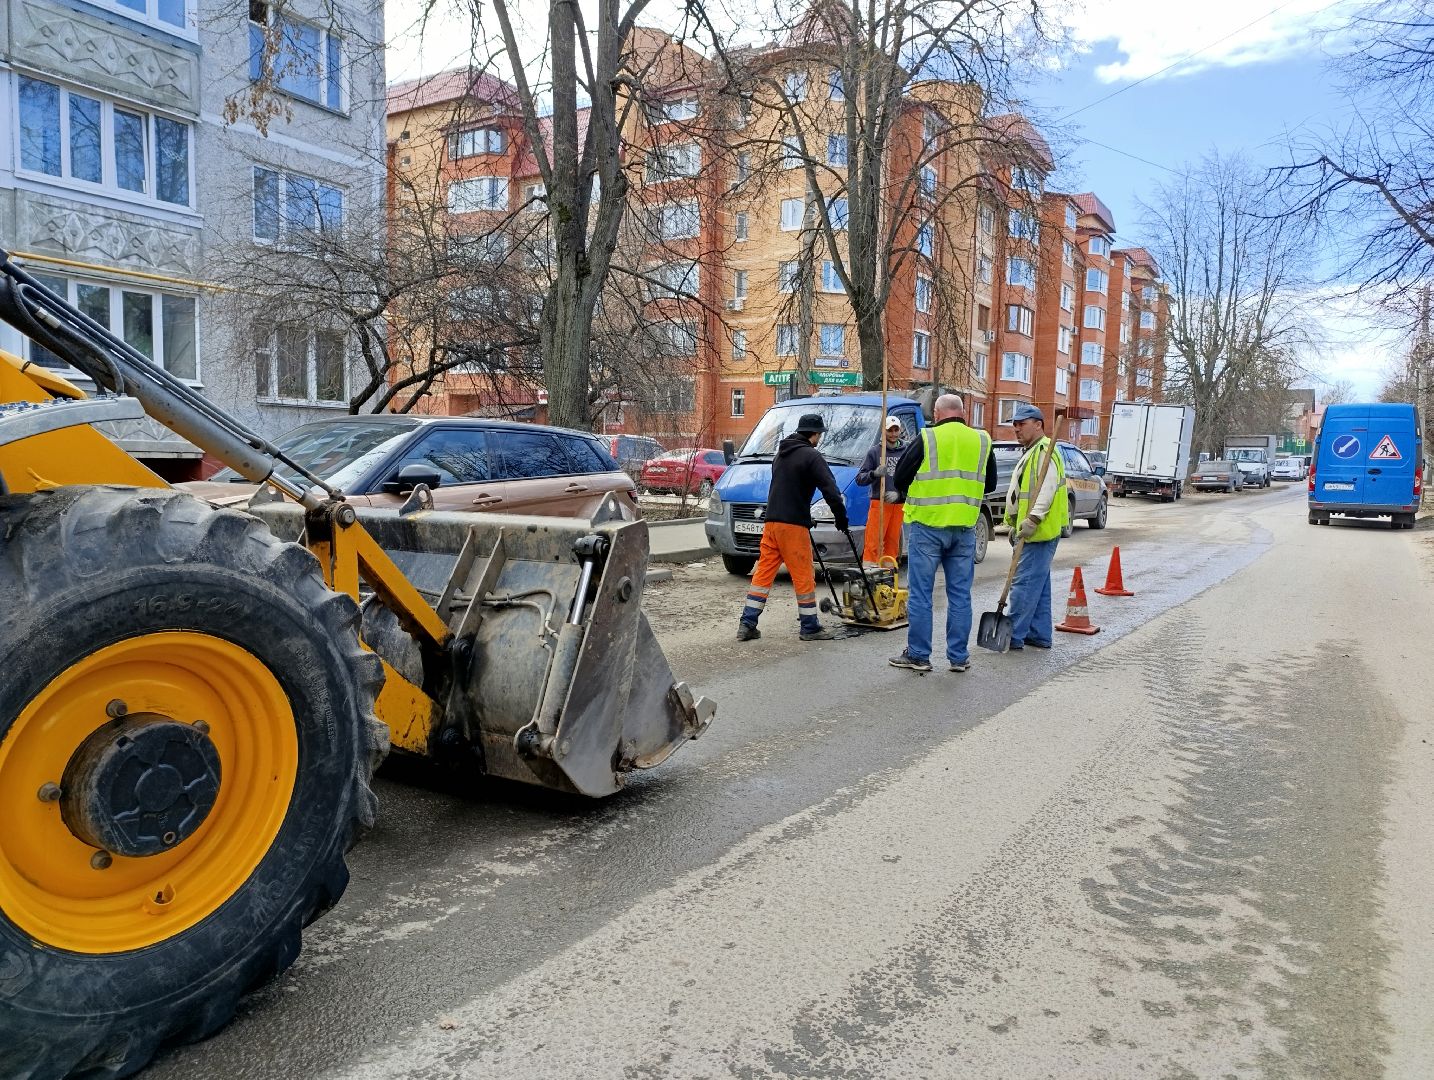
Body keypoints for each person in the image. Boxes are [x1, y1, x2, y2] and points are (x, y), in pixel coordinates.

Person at [886, 394, 996, 673]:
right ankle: (958, 658)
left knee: (922, 594)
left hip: (928, 527)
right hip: (964, 528)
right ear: (963, 413)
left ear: (936, 412)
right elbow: (991, 483)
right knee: (960, 595)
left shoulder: (928, 438)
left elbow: (900, 478)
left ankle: (919, 656)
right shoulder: (982, 440)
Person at [736, 412, 848, 642]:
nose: (819, 439)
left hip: (772, 523)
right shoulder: (812, 456)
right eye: (819, 435)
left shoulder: (781, 454)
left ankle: (747, 624)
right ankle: (809, 627)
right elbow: (830, 490)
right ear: (815, 435)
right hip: (792, 526)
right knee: (804, 575)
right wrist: (841, 517)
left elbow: (786, 488)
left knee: (764, 574)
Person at [1002, 403, 1068, 651]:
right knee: (1038, 585)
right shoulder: (1033, 450)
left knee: (1024, 585)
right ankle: (1038, 633)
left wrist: (1033, 519)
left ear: (1038, 424)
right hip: (1034, 531)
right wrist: (1015, 523)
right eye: (1014, 425)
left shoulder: (1043, 450)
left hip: (1038, 532)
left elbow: (1047, 488)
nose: (1016, 429)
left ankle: (1014, 635)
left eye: (1021, 424)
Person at [855, 414, 909, 564]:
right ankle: (870, 573)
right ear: (883, 432)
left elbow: (912, 479)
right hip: (879, 504)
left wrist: (899, 494)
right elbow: (860, 479)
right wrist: (874, 473)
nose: (893, 434)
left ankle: (889, 576)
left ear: (900, 431)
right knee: (873, 542)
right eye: (889, 430)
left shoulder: (906, 452)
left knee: (892, 544)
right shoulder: (875, 452)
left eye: (895, 430)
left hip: (898, 505)